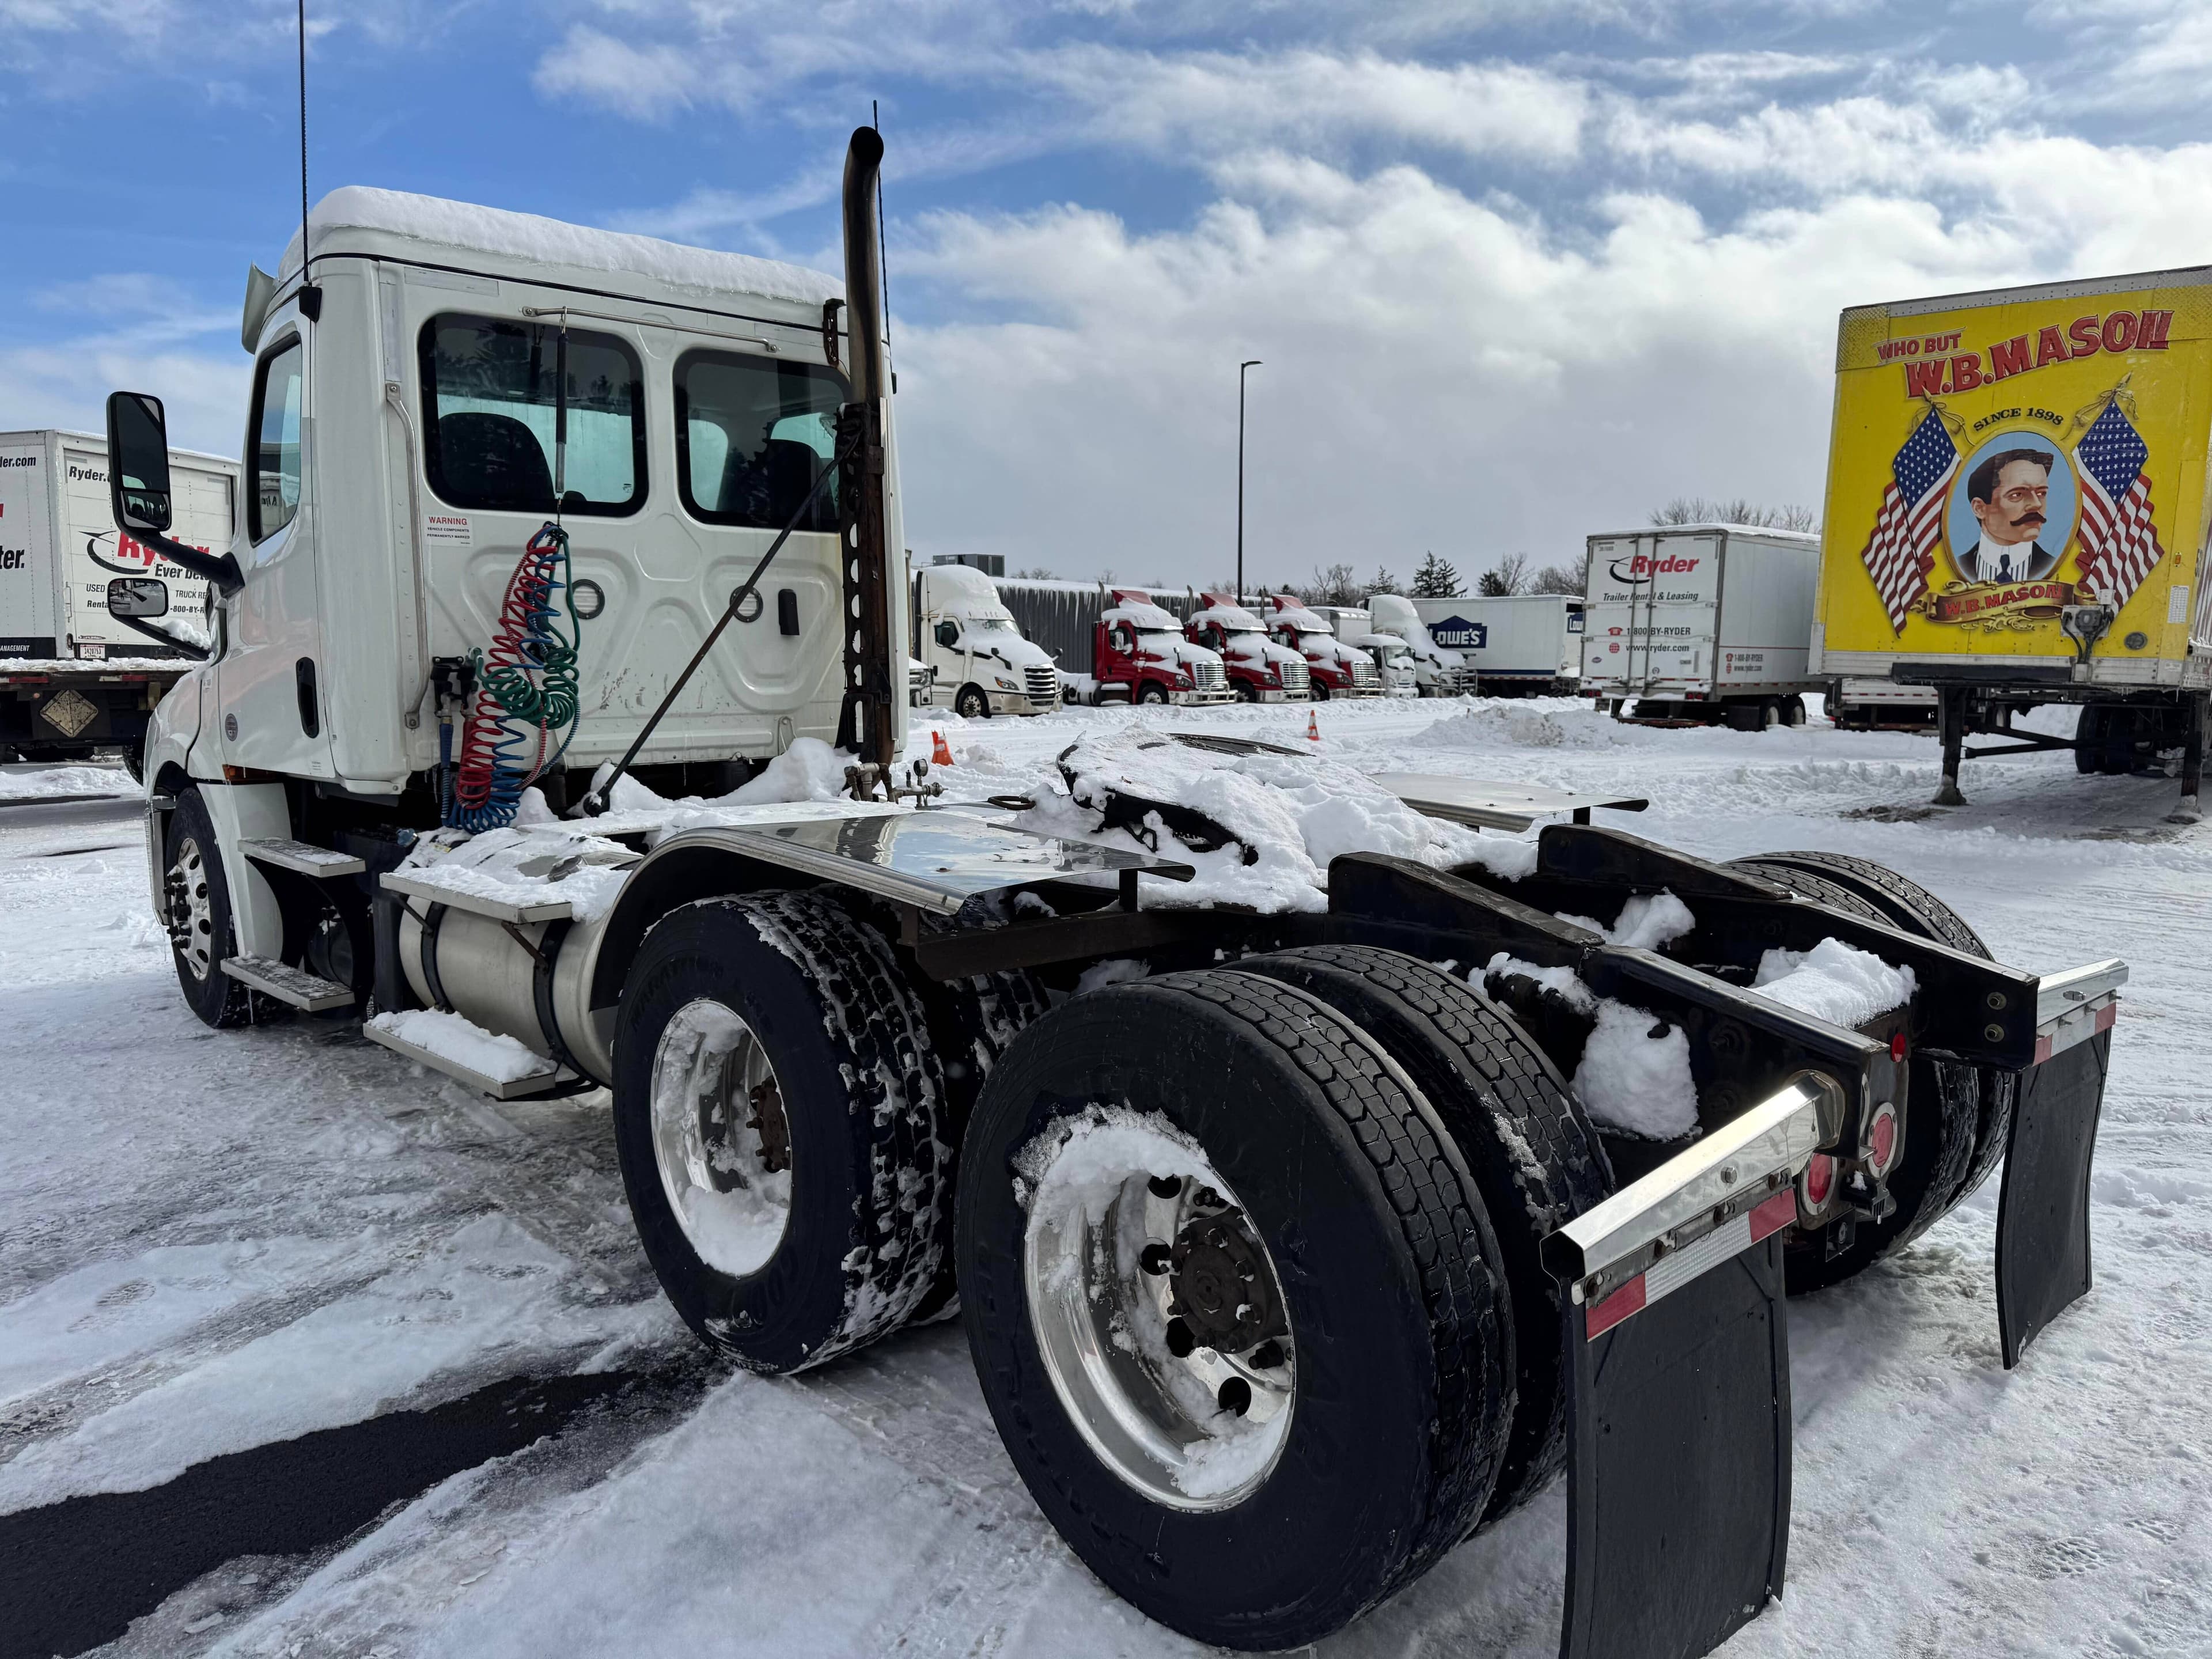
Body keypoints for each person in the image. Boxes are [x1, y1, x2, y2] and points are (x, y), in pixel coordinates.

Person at [1957, 449, 2062, 582]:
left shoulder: (2055, 567)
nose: (2036, 504)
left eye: (2041, 493)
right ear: (1980, 508)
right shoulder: (1960, 566)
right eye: (2017, 495)